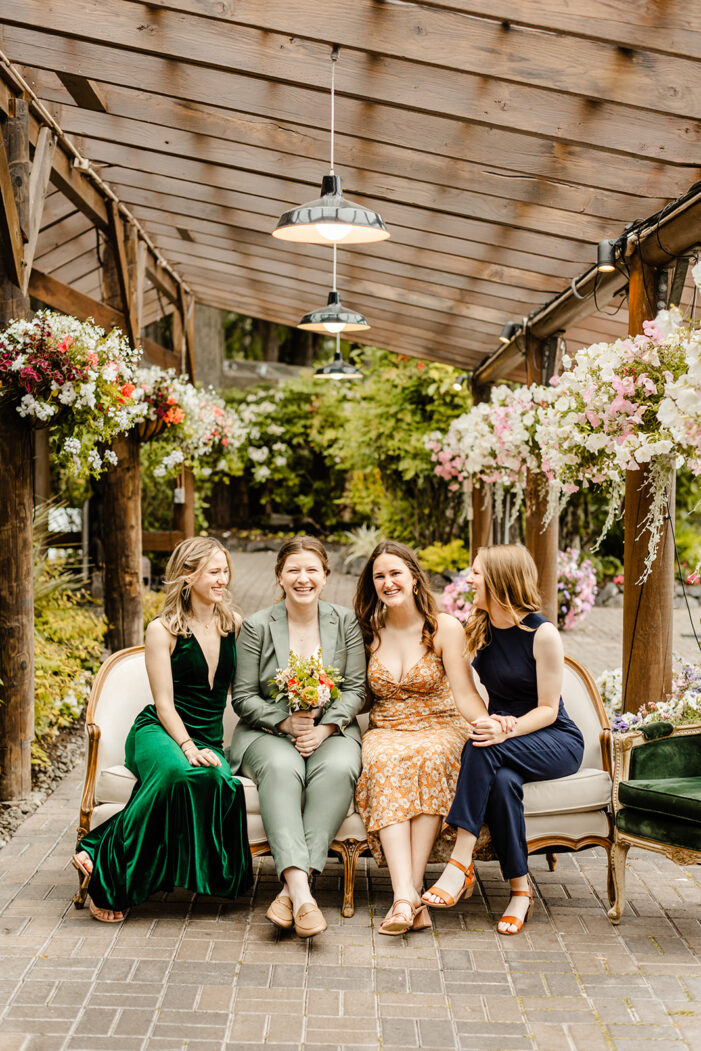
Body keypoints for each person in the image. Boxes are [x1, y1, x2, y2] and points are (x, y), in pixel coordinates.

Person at [72, 537, 252, 922]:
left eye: (225, 571)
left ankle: (96, 847)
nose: (223, 579)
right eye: (213, 572)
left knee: (214, 779)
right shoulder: (163, 629)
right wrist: (187, 747)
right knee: (175, 772)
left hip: (207, 736)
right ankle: (109, 880)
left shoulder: (233, 625)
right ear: (187, 575)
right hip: (160, 731)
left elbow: (241, 692)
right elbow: (165, 703)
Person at [422, 544, 585, 935]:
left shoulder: (542, 633)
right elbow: (462, 686)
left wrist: (504, 728)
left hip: (554, 739)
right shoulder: (479, 628)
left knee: (481, 744)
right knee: (502, 783)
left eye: (476, 572)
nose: (469, 579)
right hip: (507, 742)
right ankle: (520, 891)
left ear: (499, 579)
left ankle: (460, 862)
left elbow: (548, 709)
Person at [354, 540, 496, 936]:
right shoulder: (367, 632)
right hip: (388, 728)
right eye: (379, 576)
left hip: (441, 725)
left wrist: (486, 724)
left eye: (395, 573)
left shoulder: (443, 627)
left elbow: (465, 693)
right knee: (383, 760)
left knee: (431, 756)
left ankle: (404, 897)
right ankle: (411, 899)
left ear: (414, 578)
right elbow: (356, 695)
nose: (388, 582)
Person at [229, 536, 365, 938]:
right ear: (279, 576)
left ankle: (290, 891)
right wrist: (285, 723)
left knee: (339, 768)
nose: (302, 578)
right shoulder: (256, 626)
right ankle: (304, 895)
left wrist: (324, 728)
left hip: (332, 728)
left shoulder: (345, 622)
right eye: (293, 570)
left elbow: (356, 688)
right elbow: (243, 697)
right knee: (281, 767)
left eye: (311, 570)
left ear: (325, 575)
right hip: (267, 732)